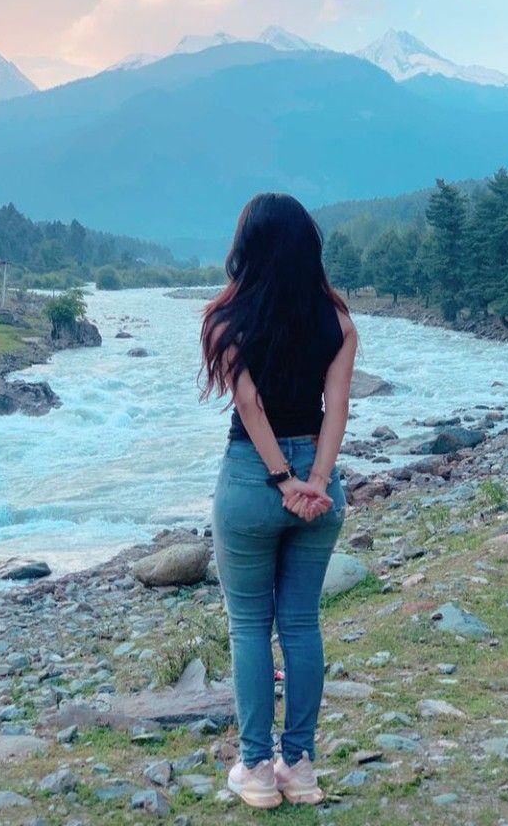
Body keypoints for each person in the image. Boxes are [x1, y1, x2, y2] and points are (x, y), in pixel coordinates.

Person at [199, 192, 357, 808]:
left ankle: (258, 771)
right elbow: (337, 407)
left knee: (248, 627)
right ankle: (302, 764)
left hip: (250, 481)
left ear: (247, 249)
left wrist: (280, 479)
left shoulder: (226, 320)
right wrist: (315, 481)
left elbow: (248, 404)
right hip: (318, 487)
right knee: (300, 623)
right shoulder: (338, 322)